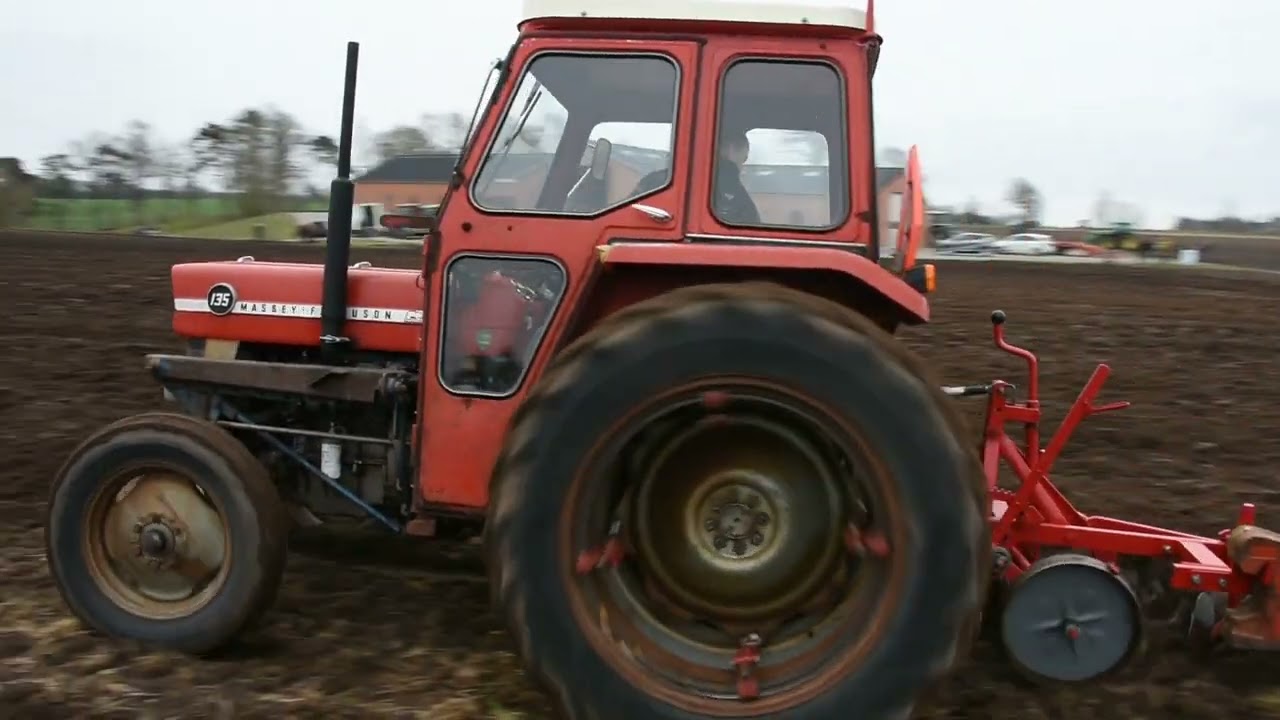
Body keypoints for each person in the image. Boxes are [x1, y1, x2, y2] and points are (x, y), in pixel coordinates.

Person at [713, 131, 760, 225]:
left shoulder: (717, 179)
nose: (743, 163)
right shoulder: (727, 183)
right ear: (731, 149)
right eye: (745, 158)